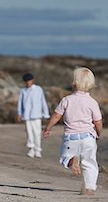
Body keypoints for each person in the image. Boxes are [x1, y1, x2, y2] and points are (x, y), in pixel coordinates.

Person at [43, 67, 103, 195]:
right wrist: (99, 132)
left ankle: (71, 160)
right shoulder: (92, 102)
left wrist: (48, 128)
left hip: (71, 138)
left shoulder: (67, 100)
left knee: (64, 156)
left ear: (74, 83)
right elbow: (97, 121)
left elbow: (56, 116)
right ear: (91, 84)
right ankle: (90, 188)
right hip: (88, 137)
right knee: (90, 163)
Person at [17, 73, 50, 158]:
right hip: (27, 115)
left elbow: (43, 101)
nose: (28, 82)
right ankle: (31, 149)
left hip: (37, 115)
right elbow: (20, 103)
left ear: (33, 80)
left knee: (37, 133)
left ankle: (37, 149)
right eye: (26, 81)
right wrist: (19, 113)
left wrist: (46, 114)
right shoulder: (23, 91)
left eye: (29, 80)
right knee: (29, 132)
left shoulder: (38, 89)